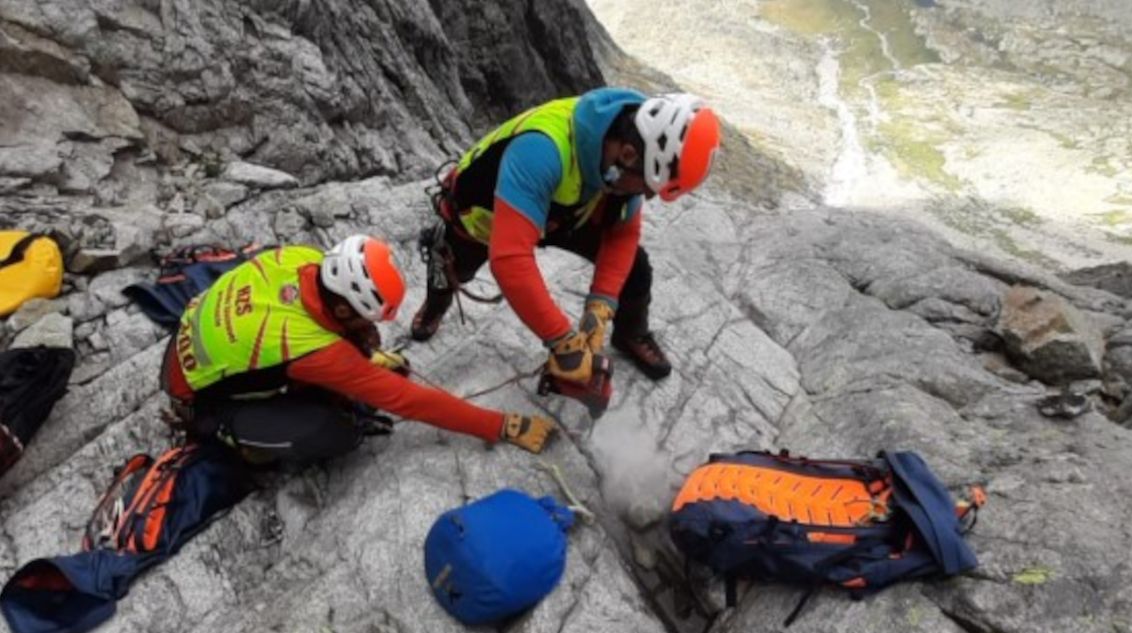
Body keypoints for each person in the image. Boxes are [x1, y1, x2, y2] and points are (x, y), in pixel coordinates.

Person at [412, 87, 720, 385]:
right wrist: (563, 341)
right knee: (450, 268)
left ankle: (630, 333)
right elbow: (510, 261)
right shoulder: (541, 151)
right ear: (627, 155)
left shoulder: (632, 141)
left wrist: (601, 305)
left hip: (562, 213)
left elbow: (623, 234)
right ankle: (434, 307)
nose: (647, 197)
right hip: (484, 213)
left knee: (635, 269)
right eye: (648, 188)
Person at [159, 235, 555, 464]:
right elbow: (410, 401)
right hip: (196, 394)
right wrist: (500, 426)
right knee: (337, 433)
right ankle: (234, 437)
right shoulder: (309, 348)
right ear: (344, 308)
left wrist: (360, 349)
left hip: (191, 338)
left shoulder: (304, 257)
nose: (372, 327)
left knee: (343, 358)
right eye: (366, 317)